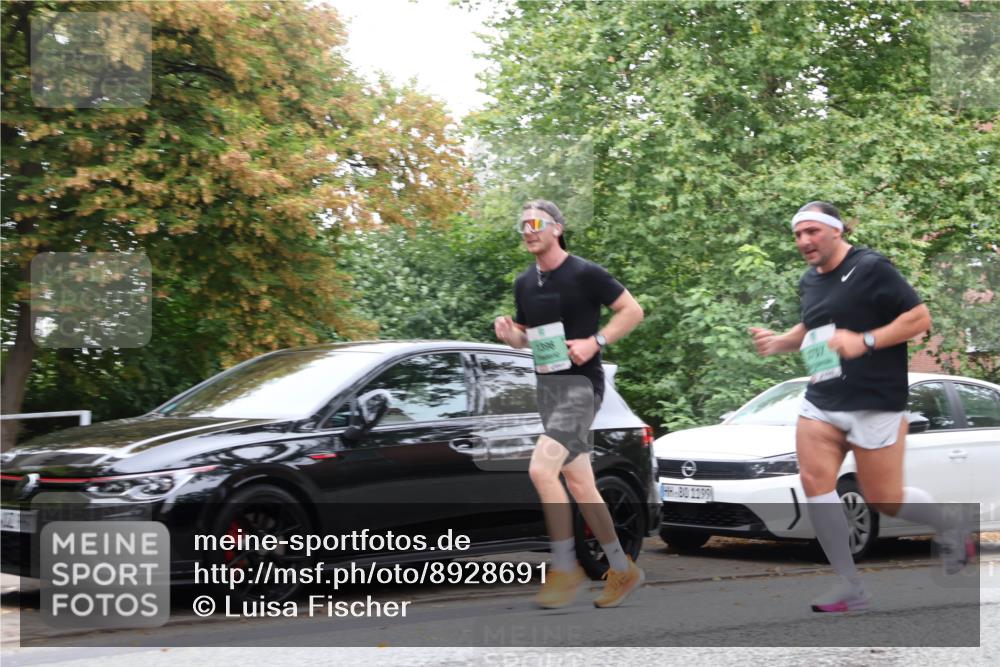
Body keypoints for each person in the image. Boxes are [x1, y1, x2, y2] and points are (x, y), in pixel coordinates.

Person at [750, 201, 975, 613]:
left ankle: (951, 522)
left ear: (836, 230)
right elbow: (816, 324)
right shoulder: (809, 280)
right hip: (824, 396)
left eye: (812, 231)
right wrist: (781, 341)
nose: (804, 241)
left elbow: (919, 318)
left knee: (884, 498)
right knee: (815, 480)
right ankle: (849, 584)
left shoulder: (871, 267)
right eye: (798, 234)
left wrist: (865, 340)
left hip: (875, 401)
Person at [494, 199, 646, 609]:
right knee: (580, 483)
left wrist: (596, 342)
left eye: (536, 222)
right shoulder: (526, 282)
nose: (528, 229)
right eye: (522, 223)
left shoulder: (585, 273)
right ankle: (622, 568)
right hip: (549, 390)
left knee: (541, 468)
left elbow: (632, 311)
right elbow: (530, 337)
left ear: (557, 228)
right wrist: (513, 336)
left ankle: (564, 567)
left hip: (581, 387)